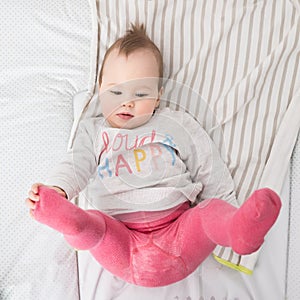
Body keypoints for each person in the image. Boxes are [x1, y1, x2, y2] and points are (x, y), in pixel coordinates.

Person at [26, 24, 281, 287]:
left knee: (209, 213)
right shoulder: (93, 131)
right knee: (95, 226)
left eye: (140, 94)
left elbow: (208, 164)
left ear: (158, 96)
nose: (127, 102)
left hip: (179, 231)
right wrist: (58, 189)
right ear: (100, 88)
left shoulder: (175, 123)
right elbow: (76, 165)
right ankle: (71, 223)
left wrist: (228, 207)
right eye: (116, 91)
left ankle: (238, 230)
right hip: (122, 238)